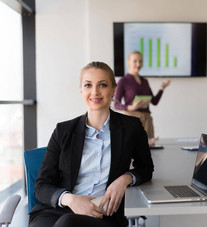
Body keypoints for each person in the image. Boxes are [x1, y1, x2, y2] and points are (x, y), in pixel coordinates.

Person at [29, 62, 154, 227]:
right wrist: (71, 200)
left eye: (102, 85)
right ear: (81, 90)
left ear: (114, 89)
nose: (95, 91)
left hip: (104, 213)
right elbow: (41, 186)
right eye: (88, 85)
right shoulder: (63, 130)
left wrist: (125, 179)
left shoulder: (131, 127)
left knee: (68, 223)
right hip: (60, 208)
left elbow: (146, 168)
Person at [113, 51, 171, 140]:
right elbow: (116, 105)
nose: (138, 64)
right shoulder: (123, 81)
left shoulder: (145, 81)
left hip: (147, 120)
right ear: (128, 62)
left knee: (148, 150)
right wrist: (130, 107)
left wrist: (162, 88)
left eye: (140, 61)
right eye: (135, 61)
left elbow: (154, 101)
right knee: (132, 149)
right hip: (131, 119)